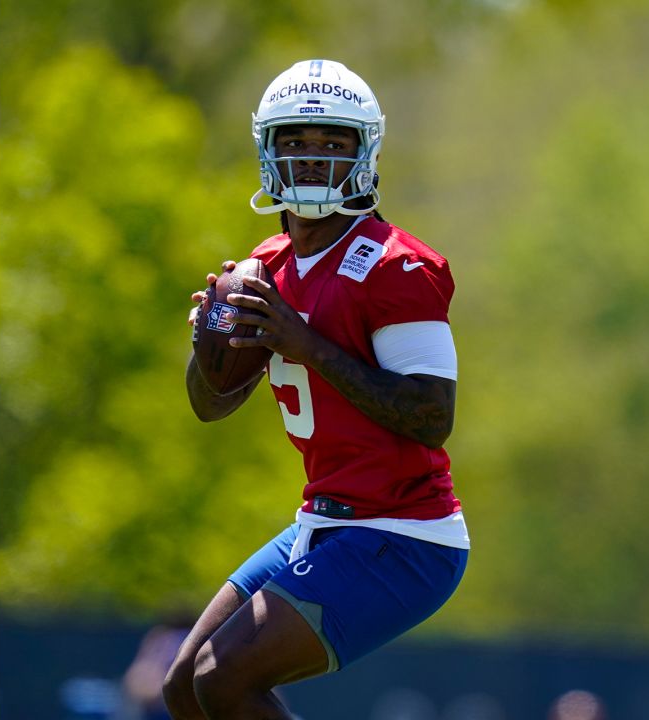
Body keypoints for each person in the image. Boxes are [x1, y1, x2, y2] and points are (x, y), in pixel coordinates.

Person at [162, 59, 469, 719]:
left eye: (334, 143)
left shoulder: (398, 267)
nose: (313, 159)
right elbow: (209, 405)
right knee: (183, 683)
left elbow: (430, 414)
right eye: (296, 141)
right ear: (268, 150)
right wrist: (210, 344)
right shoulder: (264, 266)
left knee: (223, 678)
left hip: (404, 534)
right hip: (325, 520)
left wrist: (300, 341)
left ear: (367, 152)